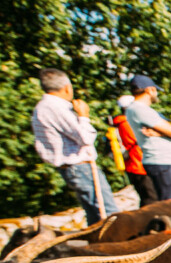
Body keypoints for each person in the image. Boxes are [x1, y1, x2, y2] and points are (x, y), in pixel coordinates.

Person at [31, 68, 120, 224]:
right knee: (108, 214)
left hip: (72, 168)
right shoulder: (56, 107)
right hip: (80, 166)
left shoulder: (42, 107)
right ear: (67, 87)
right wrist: (83, 116)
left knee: (95, 214)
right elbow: (85, 138)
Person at [126, 75, 171, 201]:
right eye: (156, 90)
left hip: (162, 162)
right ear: (149, 90)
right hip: (162, 162)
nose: (157, 94)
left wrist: (161, 133)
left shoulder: (137, 110)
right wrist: (170, 132)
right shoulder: (140, 110)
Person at [111, 95, 158, 207]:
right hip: (139, 165)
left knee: (146, 197)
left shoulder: (118, 123)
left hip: (132, 165)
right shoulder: (127, 123)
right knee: (151, 199)